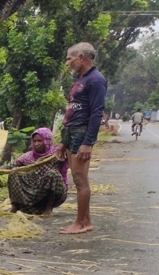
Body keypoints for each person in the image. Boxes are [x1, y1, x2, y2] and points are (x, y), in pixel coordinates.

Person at [56, 42, 106, 235]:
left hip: (81, 133)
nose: (67, 63)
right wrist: (64, 142)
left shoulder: (96, 80)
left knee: (79, 179)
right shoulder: (80, 79)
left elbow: (96, 112)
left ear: (81, 57)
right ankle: (86, 220)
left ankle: (80, 223)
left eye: (70, 58)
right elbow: (72, 112)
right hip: (71, 133)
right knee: (77, 177)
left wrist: (88, 142)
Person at [6, 128, 69, 217]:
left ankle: (48, 208)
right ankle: (15, 206)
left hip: (52, 193)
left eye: (40, 141)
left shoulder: (57, 153)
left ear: (47, 141)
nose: (36, 144)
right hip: (33, 192)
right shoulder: (28, 156)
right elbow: (11, 165)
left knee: (52, 174)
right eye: (34, 141)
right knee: (14, 172)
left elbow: (70, 151)